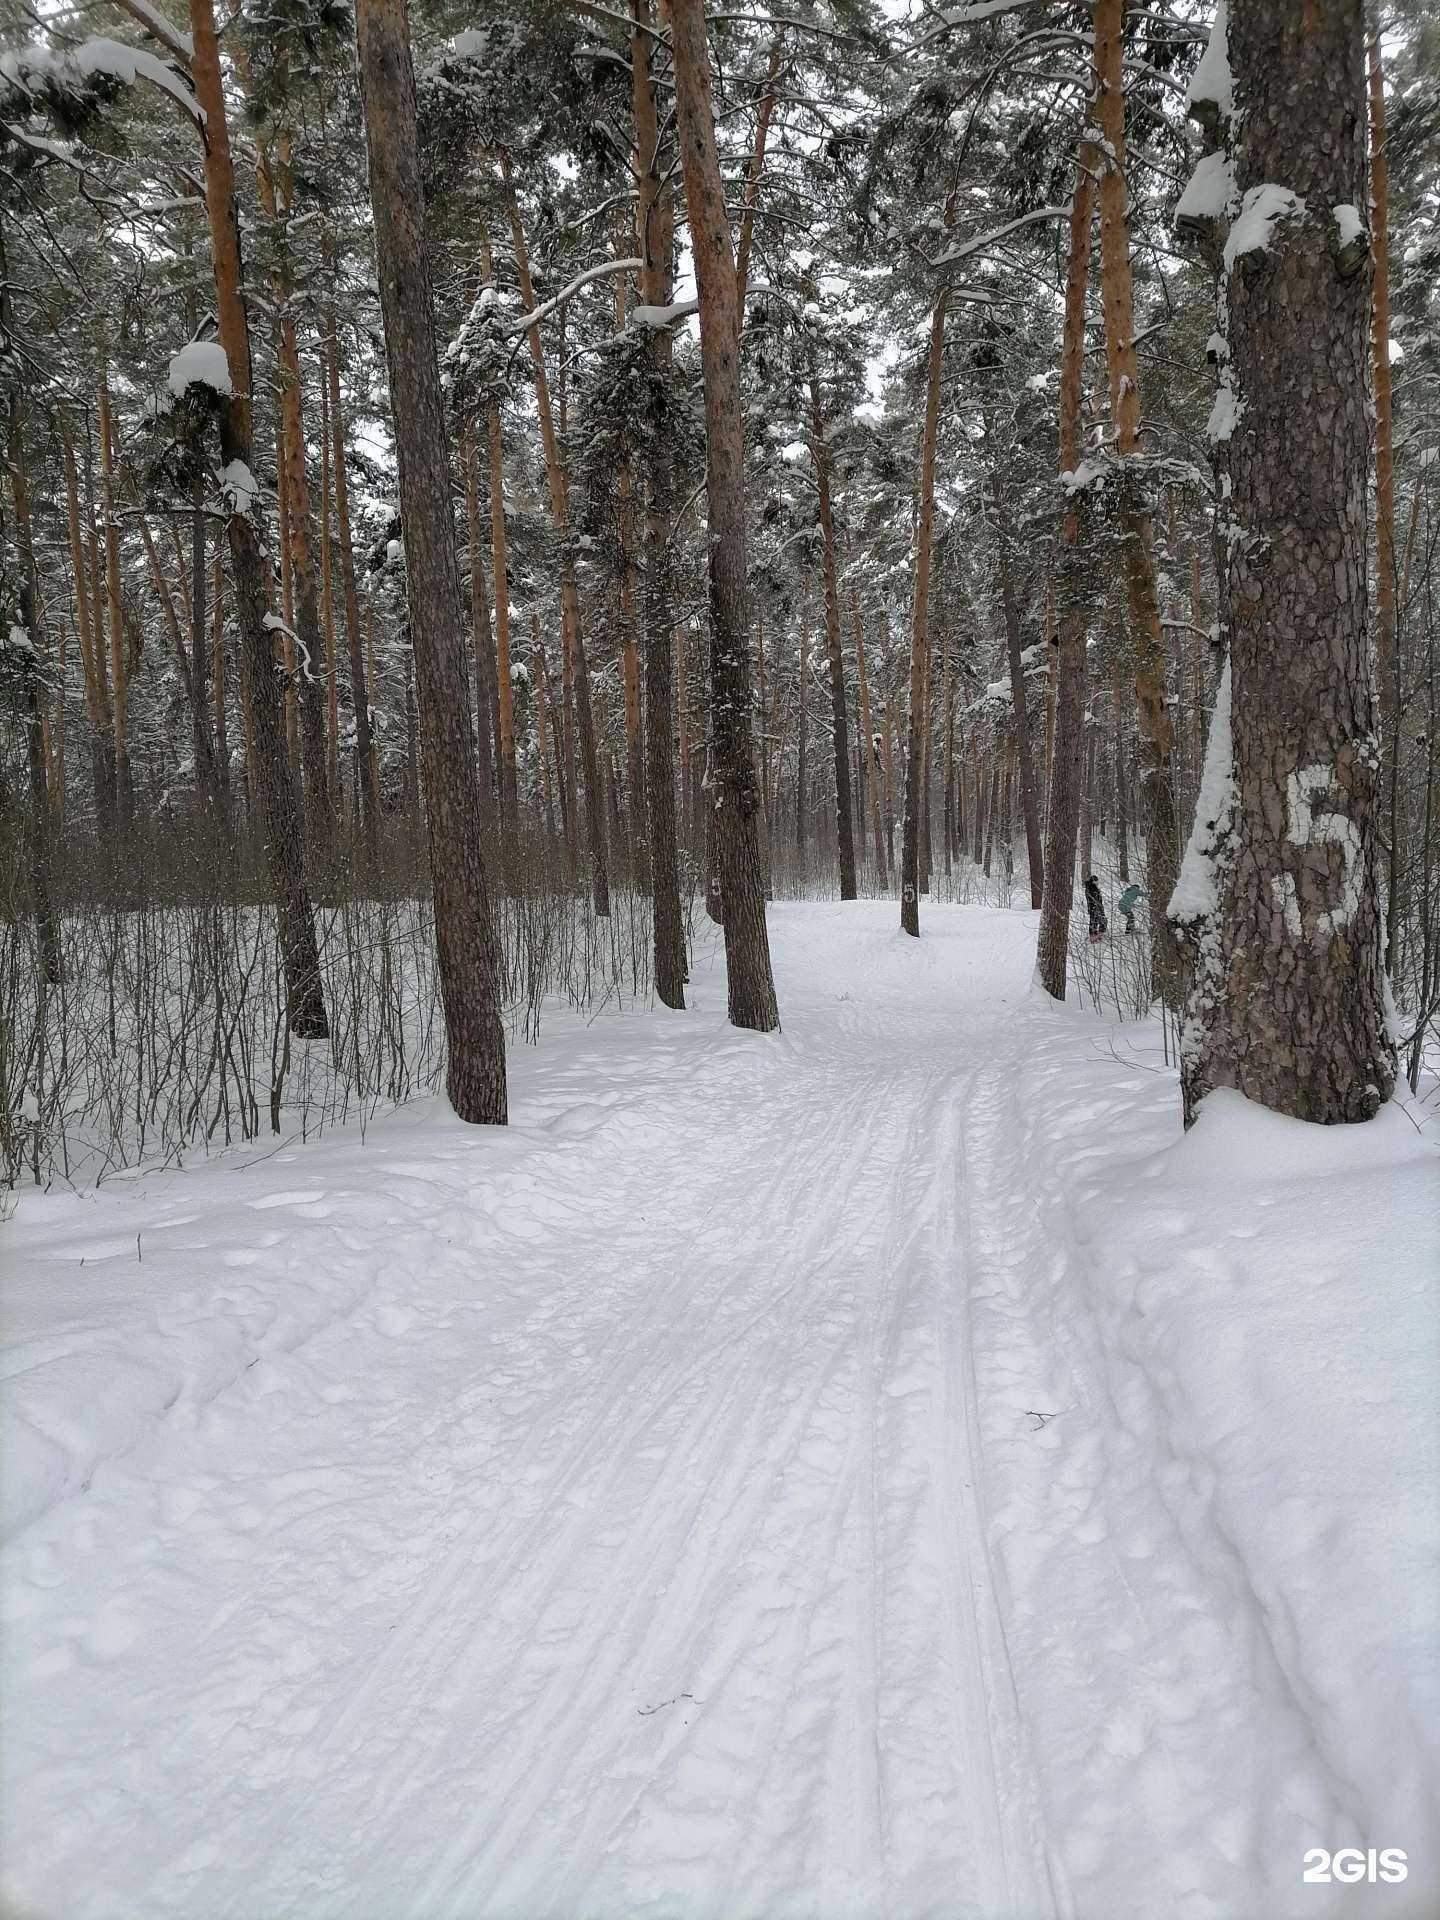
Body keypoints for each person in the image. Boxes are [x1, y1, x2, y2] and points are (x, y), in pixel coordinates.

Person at [1085, 872, 1107, 942]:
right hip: (1094, 908)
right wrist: (1097, 906)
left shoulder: (1092, 888)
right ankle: (1094, 937)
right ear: (1093, 881)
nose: (1097, 883)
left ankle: (1097, 935)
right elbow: (1094, 899)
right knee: (1095, 922)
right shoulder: (1091, 888)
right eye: (1096, 881)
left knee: (1097, 921)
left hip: (1096, 907)